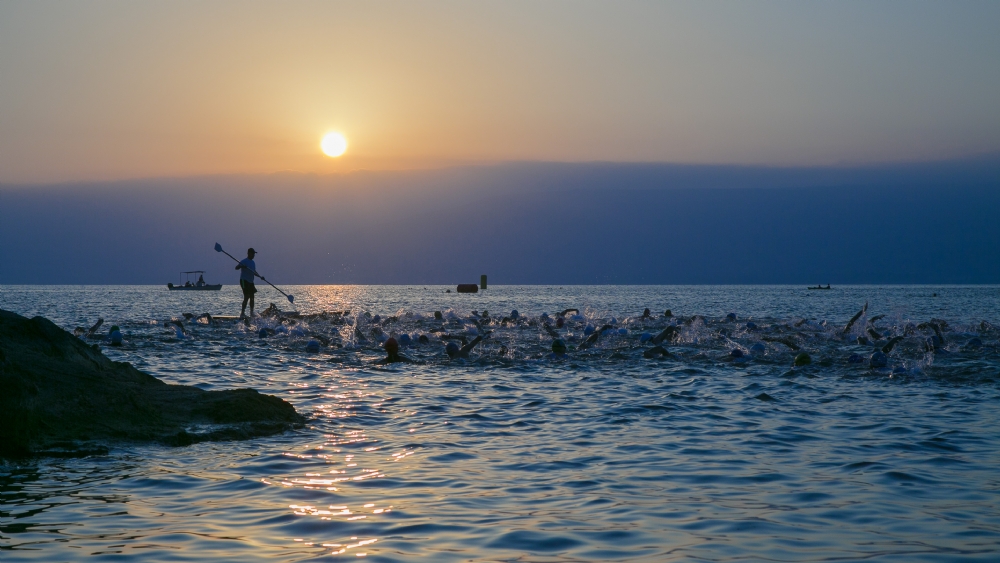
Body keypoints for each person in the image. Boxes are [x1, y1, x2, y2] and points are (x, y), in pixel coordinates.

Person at [236, 248, 264, 321]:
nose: (254, 255)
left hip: (251, 282)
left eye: (254, 254)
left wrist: (260, 276)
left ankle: (251, 312)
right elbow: (236, 267)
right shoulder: (244, 261)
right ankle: (242, 313)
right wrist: (242, 266)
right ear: (249, 253)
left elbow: (254, 272)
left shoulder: (253, 263)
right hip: (244, 280)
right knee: (247, 296)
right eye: (253, 253)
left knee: (252, 297)